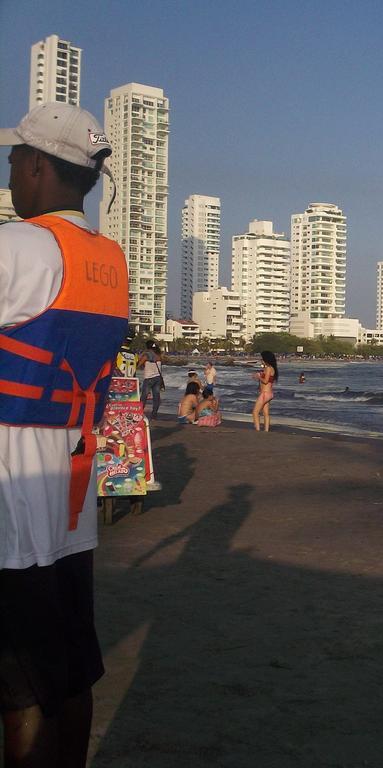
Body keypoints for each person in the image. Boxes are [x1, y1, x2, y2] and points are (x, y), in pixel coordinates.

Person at [0, 102, 129, 766]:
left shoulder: (17, 247)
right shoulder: (109, 259)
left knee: (19, 686)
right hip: (71, 501)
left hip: (12, 503)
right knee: (71, 670)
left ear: (37, 166)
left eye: (13, 159)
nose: (9, 173)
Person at [252, 350, 278, 431]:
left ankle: (258, 430)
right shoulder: (271, 368)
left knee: (255, 412)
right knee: (266, 413)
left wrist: (258, 377)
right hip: (269, 393)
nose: (261, 360)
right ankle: (266, 430)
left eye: (262, 359)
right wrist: (260, 375)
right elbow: (268, 379)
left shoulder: (268, 368)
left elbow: (265, 381)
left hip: (265, 394)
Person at [140, 339, 164, 417]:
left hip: (149, 378)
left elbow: (139, 365)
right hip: (158, 378)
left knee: (144, 396)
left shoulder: (146, 355)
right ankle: (154, 414)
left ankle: (139, 412)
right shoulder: (159, 355)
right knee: (156, 397)